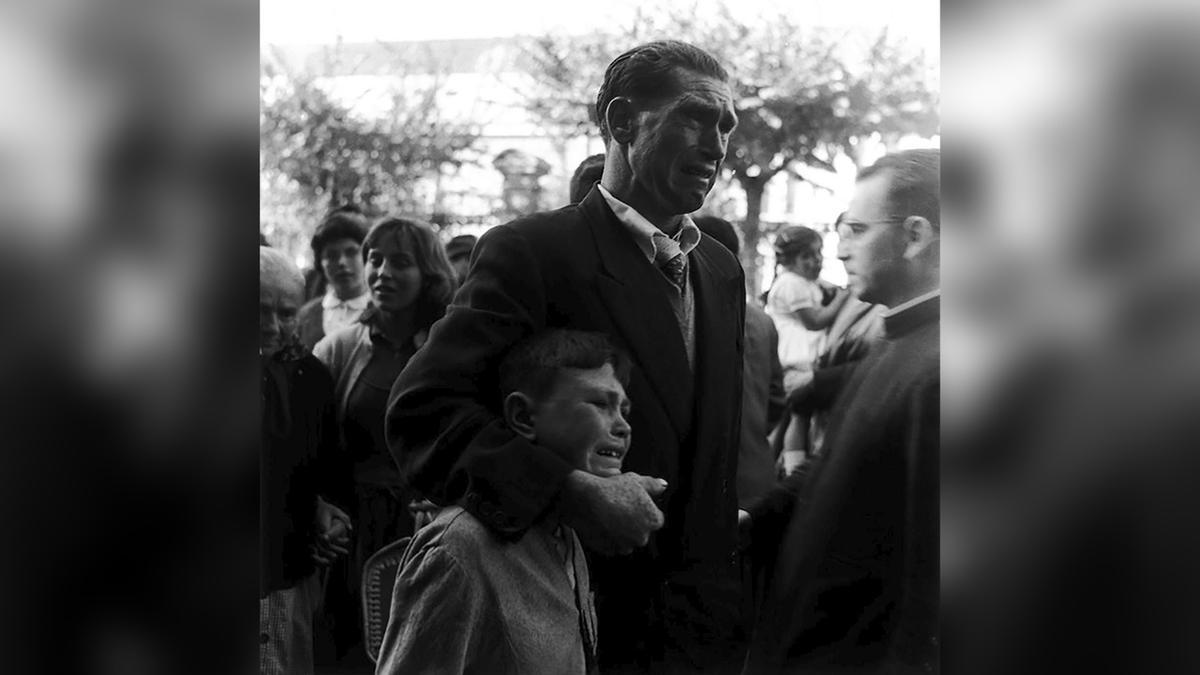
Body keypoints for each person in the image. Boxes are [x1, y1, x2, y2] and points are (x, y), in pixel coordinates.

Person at [388, 40, 746, 672]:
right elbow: (424, 411)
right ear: (620, 121)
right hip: (567, 626)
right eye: (695, 116)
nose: (717, 146)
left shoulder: (719, 270)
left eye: (726, 125)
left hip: (698, 638)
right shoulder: (533, 252)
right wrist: (570, 491)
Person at [743, 149, 941, 673]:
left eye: (855, 228)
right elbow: (840, 461)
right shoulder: (901, 336)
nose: (841, 248)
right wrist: (750, 520)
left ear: (915, 235)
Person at [377, 330, 631, 675]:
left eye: (624, 410)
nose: (622, 427)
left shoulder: (565, 535)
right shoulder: (460, 549)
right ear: (523, 417)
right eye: (599, 404)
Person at [313, 217, 457, 659]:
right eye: (374, 259)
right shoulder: (338, 349)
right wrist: (318, 507)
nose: (382, 272)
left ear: (428, 273)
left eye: (401, 262)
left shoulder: (449, 348)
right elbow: (308, 446)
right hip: (352, 532)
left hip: (427, 531)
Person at [259, 247, 353, 675]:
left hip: (284, 575)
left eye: (286, 313)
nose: (271, 326)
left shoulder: (309, 375)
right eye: (258, 309)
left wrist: (324, 510)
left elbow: (324, 466)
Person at [692, 215, 785, 508]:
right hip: (757, 478)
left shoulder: (686, 315)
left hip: (704, 488)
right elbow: (776, 400)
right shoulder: (762, 320)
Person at [764, 225, 851, 475]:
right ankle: (792, 470)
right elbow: (814, 320)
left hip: (806, 357)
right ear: (790, 261)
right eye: (807, 256)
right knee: (797, 415)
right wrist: (842, 299)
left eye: (818, 253)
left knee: (799, 415)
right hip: (796, 358)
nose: (816, 261)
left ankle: (789, 466)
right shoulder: (790, 284)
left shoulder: (805, 282)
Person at [297, 208, 371, 350]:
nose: (342, 262)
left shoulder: (383, 311)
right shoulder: (305, 316)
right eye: (332, 255)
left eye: (351, 252)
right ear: (320, 263)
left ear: (366, 256)